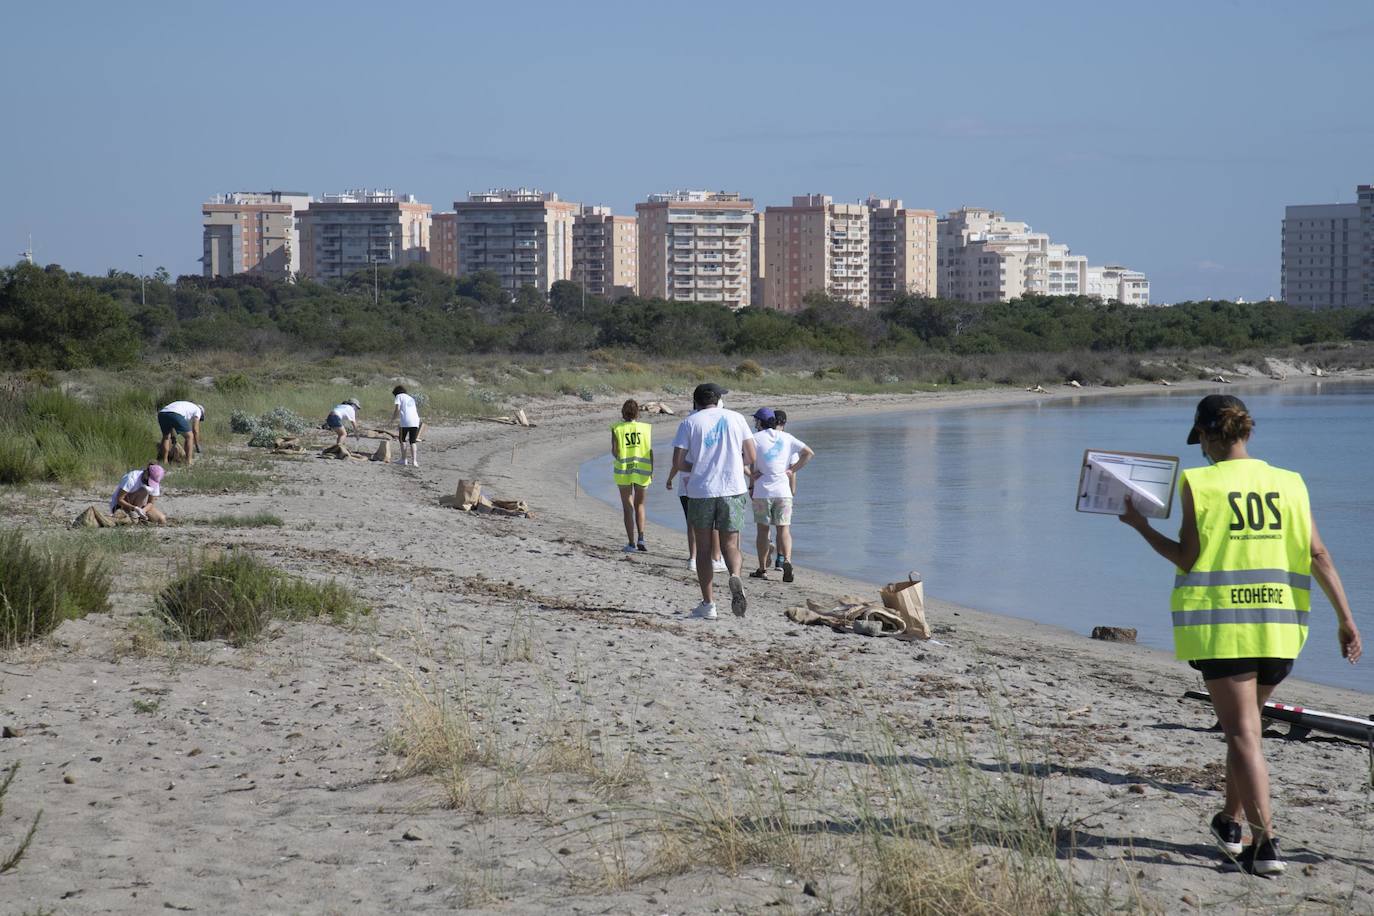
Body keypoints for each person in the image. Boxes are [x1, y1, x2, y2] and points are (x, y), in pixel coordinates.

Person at [1119, 394, 1361, 876]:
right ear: (1246, 432)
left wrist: (1141, 527)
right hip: (1280, 630)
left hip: (1224, 633)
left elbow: (1187, 558)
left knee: (1244, 735)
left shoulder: (1199, 483)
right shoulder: (1289, 482)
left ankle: (1266, 844)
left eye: (1202, 440)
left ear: (1210, 435)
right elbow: (1320, 556)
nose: (1201, 450)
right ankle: (1230, 822)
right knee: (1245, 733)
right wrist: (1347, 619)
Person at [673, 383, 756, 619]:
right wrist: (732, 463)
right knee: (731, 544)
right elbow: (751, 456)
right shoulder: (737, 418)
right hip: (733, 489)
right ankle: (735, 575)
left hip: (701, 491)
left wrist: (698, 466)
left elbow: (678, 463)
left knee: (704, 548)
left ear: (696, 402)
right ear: (718, 399)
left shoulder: (689, 422)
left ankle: (709, 604)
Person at [748, 407, 813, 583]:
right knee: (784, 529)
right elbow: (808, 453)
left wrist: (751, 475)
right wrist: (792, 471)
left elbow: (740, 460)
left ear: (760, 422)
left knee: (763, 531)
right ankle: (787, 561)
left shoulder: (755, 439)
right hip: (783, 492)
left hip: (762, 492)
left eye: (756, 421)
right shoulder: (787, 438)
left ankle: (762, 569)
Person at [666, 415, 727, 573]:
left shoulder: (687, 432)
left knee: (691, 523)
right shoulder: (709, 441)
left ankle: (693, 558)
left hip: (686, 485)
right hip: (703, 485)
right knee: (712, 524)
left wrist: (670, 478)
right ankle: (716, 558)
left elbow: (677, 463)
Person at [611, 399, 653, 552]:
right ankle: (641, 537)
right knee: (640, 505)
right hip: (643, 470)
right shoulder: (645, 428)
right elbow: (649, 450)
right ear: (638, 413)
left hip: (623, 471)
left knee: (628, 508)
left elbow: (615, 452)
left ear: (623, 413)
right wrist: (651, 470)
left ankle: (631, 543)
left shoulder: (617, 428)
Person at [157, 400, 205, 467]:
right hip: (175, 414)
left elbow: (171, 421)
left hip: (162, 414)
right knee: (190, 436)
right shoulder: (198, 410)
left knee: (166, 437)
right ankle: (188, 461)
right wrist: (197, 445)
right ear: (202, 413)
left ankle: (164, 461)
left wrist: (173, 437)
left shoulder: (186, 405)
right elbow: (195, 430)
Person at [391, 386, 422, 467]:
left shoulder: (398, 396)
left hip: (405, 421)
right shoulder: (410, 398)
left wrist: (393, 419)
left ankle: (404, 459)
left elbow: (397, 409)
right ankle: (414, 461)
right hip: (415, 421)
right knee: (413, 441)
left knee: (402, 439)